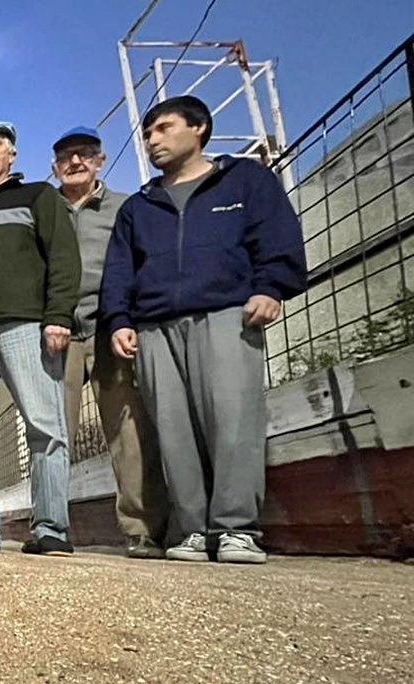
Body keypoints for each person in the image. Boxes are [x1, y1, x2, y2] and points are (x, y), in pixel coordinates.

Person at [100, 95, 307, 564]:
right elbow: (119, 270)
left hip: (227, 315)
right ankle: (192, 529)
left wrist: (270, 286)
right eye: (149, 132)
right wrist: (119, 320)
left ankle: (237, 529)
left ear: (199, 129)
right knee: (173, 431)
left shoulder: (245, 181)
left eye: (164, 128)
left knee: (233, 422)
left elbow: (275, 237)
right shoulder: (140, 206)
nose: (153, 139)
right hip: (154, 328)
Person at [0, 122, 81, 556]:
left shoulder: (39, 197)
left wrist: (58, 315)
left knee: (45, 425)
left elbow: (63, 255)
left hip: (27, 324)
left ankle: (50, 528)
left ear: (12, 156)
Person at [53, 126, 171, 560]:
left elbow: (140, 264)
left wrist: (131, 318)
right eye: (66, 157)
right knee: (52, 433)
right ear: (55, 167)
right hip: (58, 332)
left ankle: (143, 528)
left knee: (128, 428)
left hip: (112, 327)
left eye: (84, 154)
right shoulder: (45, 211)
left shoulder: (126, 207)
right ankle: (50, 526)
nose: (76, 162)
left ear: (100, 161)